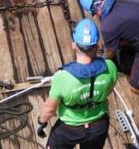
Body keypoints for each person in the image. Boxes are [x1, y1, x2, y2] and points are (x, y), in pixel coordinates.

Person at [37, 19, 117, 149]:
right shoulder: (110, 67)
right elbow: (108, 90)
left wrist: (41, 122)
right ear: (96, 47)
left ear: (74, 45)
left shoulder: (62, 77)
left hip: (69, 129)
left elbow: (50, 108)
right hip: (98, 125)